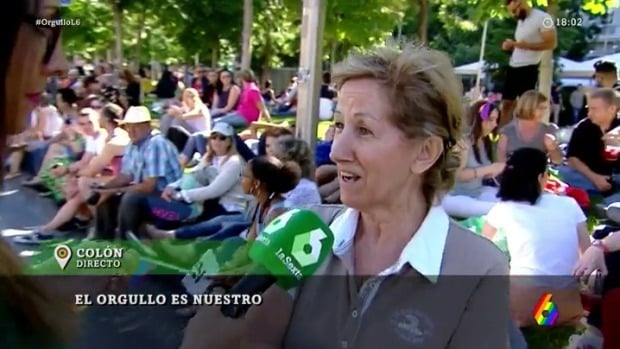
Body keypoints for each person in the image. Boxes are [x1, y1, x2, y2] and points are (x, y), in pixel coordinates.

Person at [179, 45, 510, 349]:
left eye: (364, 130)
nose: (337, 151)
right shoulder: (303, 230)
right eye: (338, 125)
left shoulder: (479, 269)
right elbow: (260, 341)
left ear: (425, 151)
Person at [481, 148, 589, 328]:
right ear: (541, 177)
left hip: (523, 308)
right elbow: (587, 253)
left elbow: (481, 253)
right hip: (565, 306)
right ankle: (551, 319)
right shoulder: (569, 204)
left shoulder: (503, 209)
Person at [90, 106, 183, 239]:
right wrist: (103, 189)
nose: (131, 131)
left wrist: (113, 190)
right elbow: (126, 175)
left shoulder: (156, 144)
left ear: (147, 126)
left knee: (131, 197)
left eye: (136, 126)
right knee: (106, 195)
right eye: (128, 126)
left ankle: (126, 244)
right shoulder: (133, 144)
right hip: (152, 196)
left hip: (169, 199)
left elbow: (148, 186)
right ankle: (102, 240)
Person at [441, 99, 504, 218]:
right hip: (457, 197)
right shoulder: (463, 143)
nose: (495, 124)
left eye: (496, 120)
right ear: (479, 119)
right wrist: (488, 169)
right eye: (490, 119)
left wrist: (495, 171)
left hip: (477, 192)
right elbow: (458, 176)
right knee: (496, 210)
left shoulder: (485, 142)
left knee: (510, 203)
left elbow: (483, 172)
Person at [500, 0, 557, 127]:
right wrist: (512, 45)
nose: (513, 14)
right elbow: (520, 44)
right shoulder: (521, 20)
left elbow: (551, 43)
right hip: (513, 66)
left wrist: (523, 46)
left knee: (527, 106)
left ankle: (526, 134)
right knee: (506, 104)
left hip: (528, 68)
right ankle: (501, 136)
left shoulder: (543, 18)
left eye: (514, 10)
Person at [559, 88, 620, 204]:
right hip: (588, 177)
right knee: (563, 173)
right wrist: (595, 178)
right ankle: (606, 203)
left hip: (616, 176)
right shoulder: (583, 127)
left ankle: (604, 203)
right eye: (589, 109)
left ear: (612, 109)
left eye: (594, 109)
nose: (589, 113)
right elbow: (572, 158)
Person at [497, 90, 563, 165]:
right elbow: (500, 162)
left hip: (538, 175)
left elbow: (558, 161)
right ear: (528, 106)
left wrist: (552, 149)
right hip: (513, 174)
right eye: (540, 108)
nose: (544, 112)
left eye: (545, 108)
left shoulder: (548, 130)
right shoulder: (507, 131)